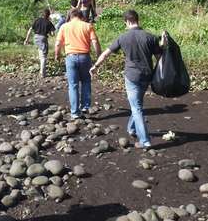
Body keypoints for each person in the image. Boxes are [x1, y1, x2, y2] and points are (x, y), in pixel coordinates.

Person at [90, 10, 167, 149]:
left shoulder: (123, 37)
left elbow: (106, 54)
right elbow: (159, 58)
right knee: (137, 104)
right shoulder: (149, 37)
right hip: (147, 75)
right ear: (137, 20)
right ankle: (131, 129)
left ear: (127, 21)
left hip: (132, 76)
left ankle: (145, 141)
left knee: (136, 107)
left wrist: (95, 66)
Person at [55, 9, 101, 119]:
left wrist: (57, 55)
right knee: (86, 81)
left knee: (73, 85)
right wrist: (99, 55)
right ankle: (85, 106)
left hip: (70, 57)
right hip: (85, 57)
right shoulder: (87, 26)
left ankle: (75, 112)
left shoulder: (64, 27)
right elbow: (94, 41)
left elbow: (58, 44)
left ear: (70, 16)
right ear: (81, 16)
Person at [24, 8, 56, 78]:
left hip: (35, 38)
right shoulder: (49, 22)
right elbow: (53, 34)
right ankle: (42, 73)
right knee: (44, 56)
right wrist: (51, 28)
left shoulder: (37, 20)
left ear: (42, 14)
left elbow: (30, 30)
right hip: (43, 38)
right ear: (48, 15)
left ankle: (41, 70)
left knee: (41, 52)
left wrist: (26, 40)